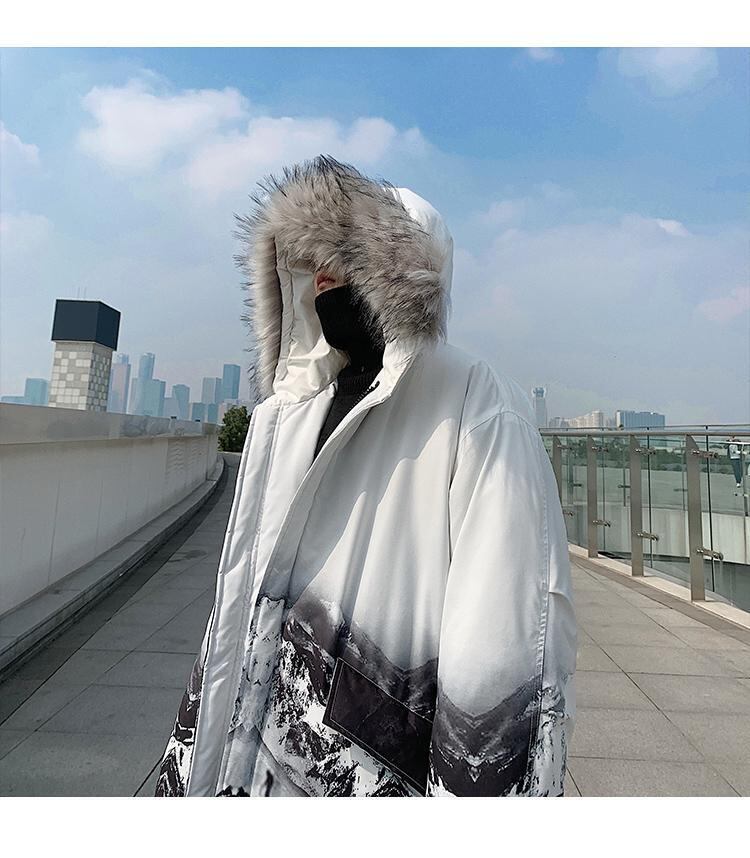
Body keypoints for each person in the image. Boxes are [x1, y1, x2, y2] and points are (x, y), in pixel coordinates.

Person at [154, 154, 577, 797]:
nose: (323, 275)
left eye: (343, 255)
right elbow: (237, 619)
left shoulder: (477, 404)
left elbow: (503, 657)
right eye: (311, 260)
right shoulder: (287, 415)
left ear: (398, 269)